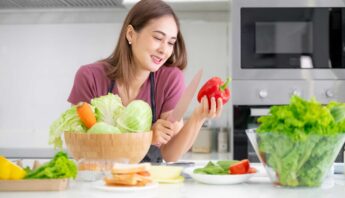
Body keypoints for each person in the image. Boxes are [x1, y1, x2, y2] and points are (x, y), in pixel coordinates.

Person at [68, 0, 223, 162]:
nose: (164, 50)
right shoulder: (90, 77)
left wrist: (198, 118)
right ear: (130, 34)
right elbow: (81, 146)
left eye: (171, 42)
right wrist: (148, 136)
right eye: (157, 38)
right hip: (100, 179)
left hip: (148, 181)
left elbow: (170, 155)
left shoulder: (170, 79)